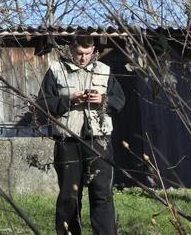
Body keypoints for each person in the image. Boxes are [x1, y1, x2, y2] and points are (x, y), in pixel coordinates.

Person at [38, 34, 124, 235]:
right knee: (69, 195)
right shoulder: (56, 71)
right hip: (67, 142)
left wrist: (102, 99)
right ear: (71, 49)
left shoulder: (105, 71)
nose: (83, 58)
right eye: (79, 53)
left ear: (93, 50)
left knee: (101, 194)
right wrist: (68, 100)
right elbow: (42, 105)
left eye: (87, 53)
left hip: (99, 141)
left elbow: (120, 102)